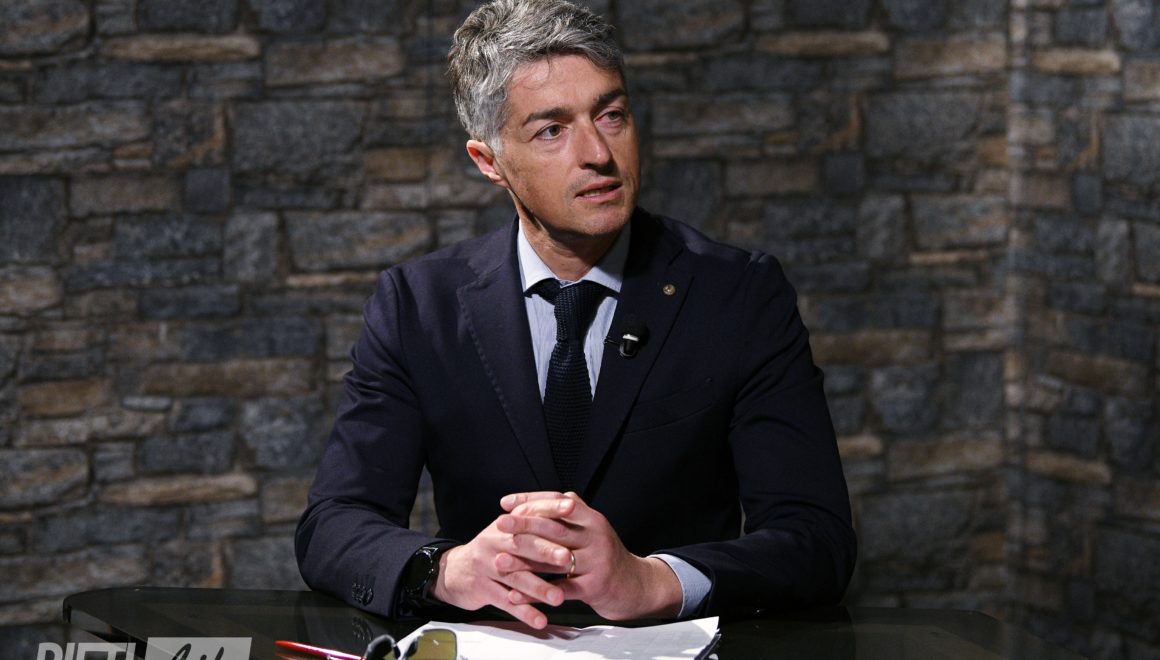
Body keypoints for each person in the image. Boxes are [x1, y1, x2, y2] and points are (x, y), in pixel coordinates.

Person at [296, 0, 856, 630]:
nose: (598, 153)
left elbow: (817, 539)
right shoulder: (417, 306)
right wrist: (447, 570)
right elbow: (333, 524)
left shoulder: (740, 295)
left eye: (611, 115)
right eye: (551, 130)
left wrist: (652, 581)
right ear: (489, 161)